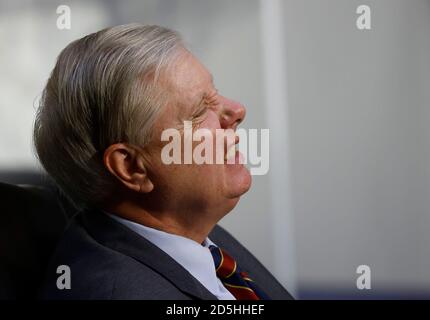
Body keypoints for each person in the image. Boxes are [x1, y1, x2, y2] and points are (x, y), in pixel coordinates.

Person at [34, 24, 292, 300]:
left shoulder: (197, 236)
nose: (237, 111)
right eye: (200, 110)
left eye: (215, 93)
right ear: (132, 167)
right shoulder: (117, 292)